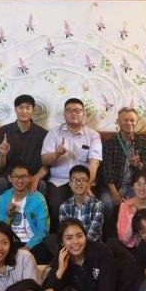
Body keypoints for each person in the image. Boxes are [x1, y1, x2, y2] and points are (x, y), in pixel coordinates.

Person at [43, 218, 145, 291]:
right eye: (69, 238)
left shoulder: (101, 251)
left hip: (127, 288)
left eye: (79, 236)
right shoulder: (61, 260)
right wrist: (60, 271)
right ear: (62, 243)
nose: (75, 242)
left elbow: (106, 290)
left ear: (85, 236)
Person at [41, 98, 103, 232]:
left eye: (77, 110)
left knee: (94, 205)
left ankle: (87, 237)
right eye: (69, 110)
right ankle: (61, 237)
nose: (74, 113)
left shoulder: (93, 135)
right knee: (55, 204)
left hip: (84, 181)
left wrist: (87, 185)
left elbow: (95, 163)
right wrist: (57, 153)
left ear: (83, 114)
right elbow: (44, 160)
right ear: (64, 114)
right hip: (59, 180)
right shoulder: (54, 133)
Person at [0, 94, 48, 210]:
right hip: (8, 178)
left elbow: (47, 165)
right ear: (15, 109)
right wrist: (2, 155)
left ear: (33, 110)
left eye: (28, 107)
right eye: (20, 107)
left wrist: (36, 177)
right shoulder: (4, 131)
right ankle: (0, 218)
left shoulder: (42, 134)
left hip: (30, 178)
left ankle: (33, 219)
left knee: (41, 185)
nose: (24, 111)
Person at [100, 107, 146, 229]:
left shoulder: (142, 143)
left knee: (137, 206)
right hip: (111, 186)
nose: (129, 123)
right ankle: (108, 234)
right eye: (125, 120)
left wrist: (138, 165)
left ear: (136, 121)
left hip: (131, 186)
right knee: (106, 205)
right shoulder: (109, 143)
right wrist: (114, 193)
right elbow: (106, 170)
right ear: (118, 121)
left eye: (132, 120)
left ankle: (133, 234)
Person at [0, 165, 51, 263]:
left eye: (23, 177)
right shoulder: (2, 199)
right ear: (10, 178)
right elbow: (0, 230)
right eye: (16, 177)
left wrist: (27, 247)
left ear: (29, 178)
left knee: (42, 253)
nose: (20, 180)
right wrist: (8, 215)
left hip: (33, 242)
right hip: (11, 242)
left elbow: (43, 230)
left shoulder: (38, 199)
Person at [116, 170, 146, 250]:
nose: (142, 188)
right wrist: (132, 216)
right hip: (133, 250)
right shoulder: (125, 206)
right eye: (139, 184)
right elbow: (124, 239)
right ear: (133, 186)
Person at [58, 165, 104, 242]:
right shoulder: (64, 207)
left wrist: (76, 244)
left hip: (92, 245)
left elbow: (91, 235)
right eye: (75, 180)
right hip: (72, 246)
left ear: (88, 183)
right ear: (70, 183)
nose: (79, 183)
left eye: (83, 180)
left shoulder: (97, 205)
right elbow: (65, 233)